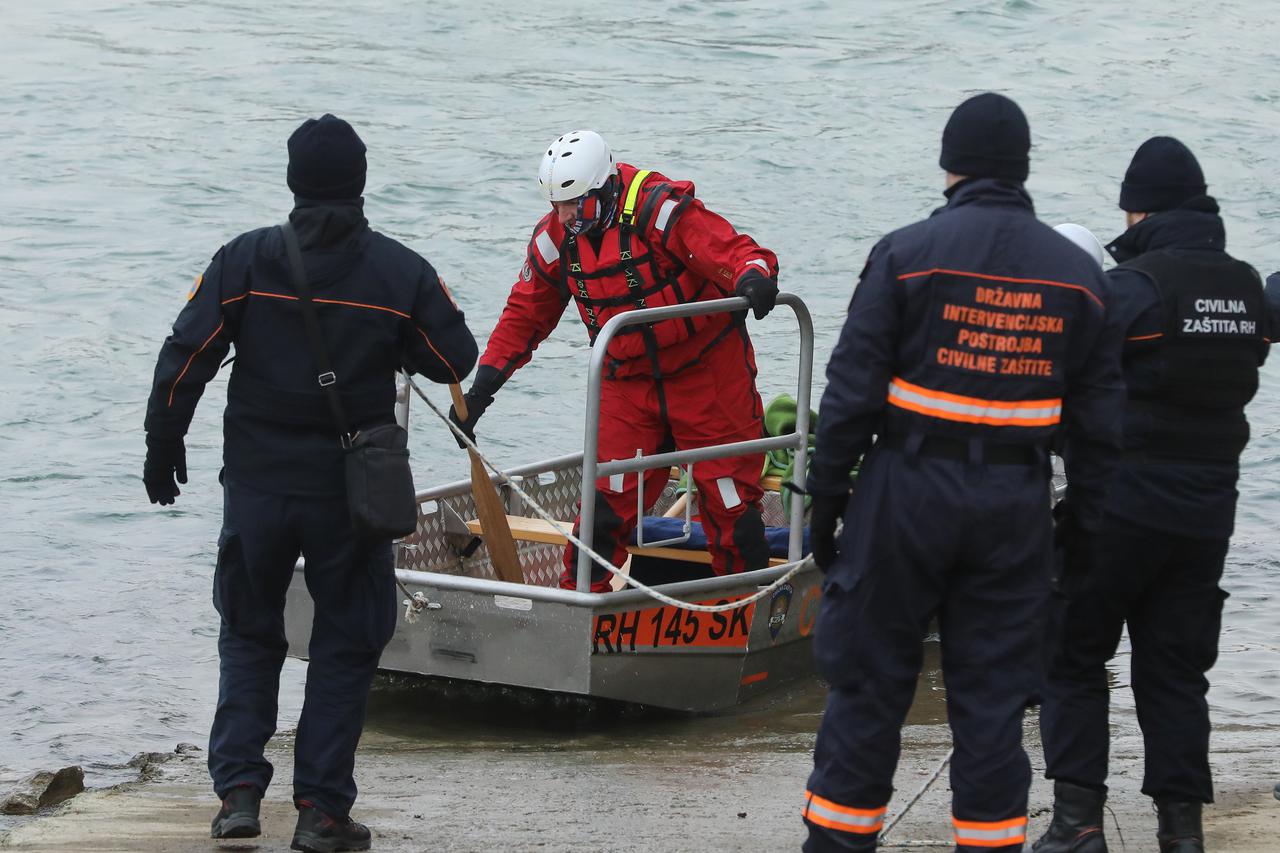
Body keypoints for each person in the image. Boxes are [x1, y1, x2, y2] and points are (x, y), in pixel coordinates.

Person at [143, 114, 477, 852]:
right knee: (347, 641)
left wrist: (161, 442)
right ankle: (322, 809)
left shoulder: (244, 259)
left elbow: (184, 353)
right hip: (348, 497)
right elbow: (453, 359)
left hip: (258, 486)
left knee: (249, 628)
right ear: (360, 182)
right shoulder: (399, 271)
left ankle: (236, 792)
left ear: (293, 180)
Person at [801, 93, 1124, 852]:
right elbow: (1102, 430)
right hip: (1012, 506)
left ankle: (839, 843)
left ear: (950, 165)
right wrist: (1082, 525)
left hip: (905, 494)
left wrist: (824, 495)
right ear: (1022, 170)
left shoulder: (907, 253)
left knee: (870, 686)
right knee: (992, 703)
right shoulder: (1078, 275)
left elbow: (850, 390)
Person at [1036, 137, 1272, 853]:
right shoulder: (1246, 289)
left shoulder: (1134, 287)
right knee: (1175, 672)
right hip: (1207, 517)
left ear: (1140, 210)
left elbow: (1061, 367)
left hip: (1117, 508)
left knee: (1073, 657)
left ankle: (1077, 825)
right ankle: (1182, 831)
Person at [449, 130, 780, 591]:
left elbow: (735, 251)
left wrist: (754, 277)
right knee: (603, 509)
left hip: (707, 373)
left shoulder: (660, 210)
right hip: (627, 383)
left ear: (603, 190)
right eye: (556, 205)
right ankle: (581, 608)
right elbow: (524, 316)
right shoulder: (555, 239)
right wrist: (481, 390)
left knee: (730, 507)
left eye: (572, 205)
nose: (563, 216)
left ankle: (742, 607)